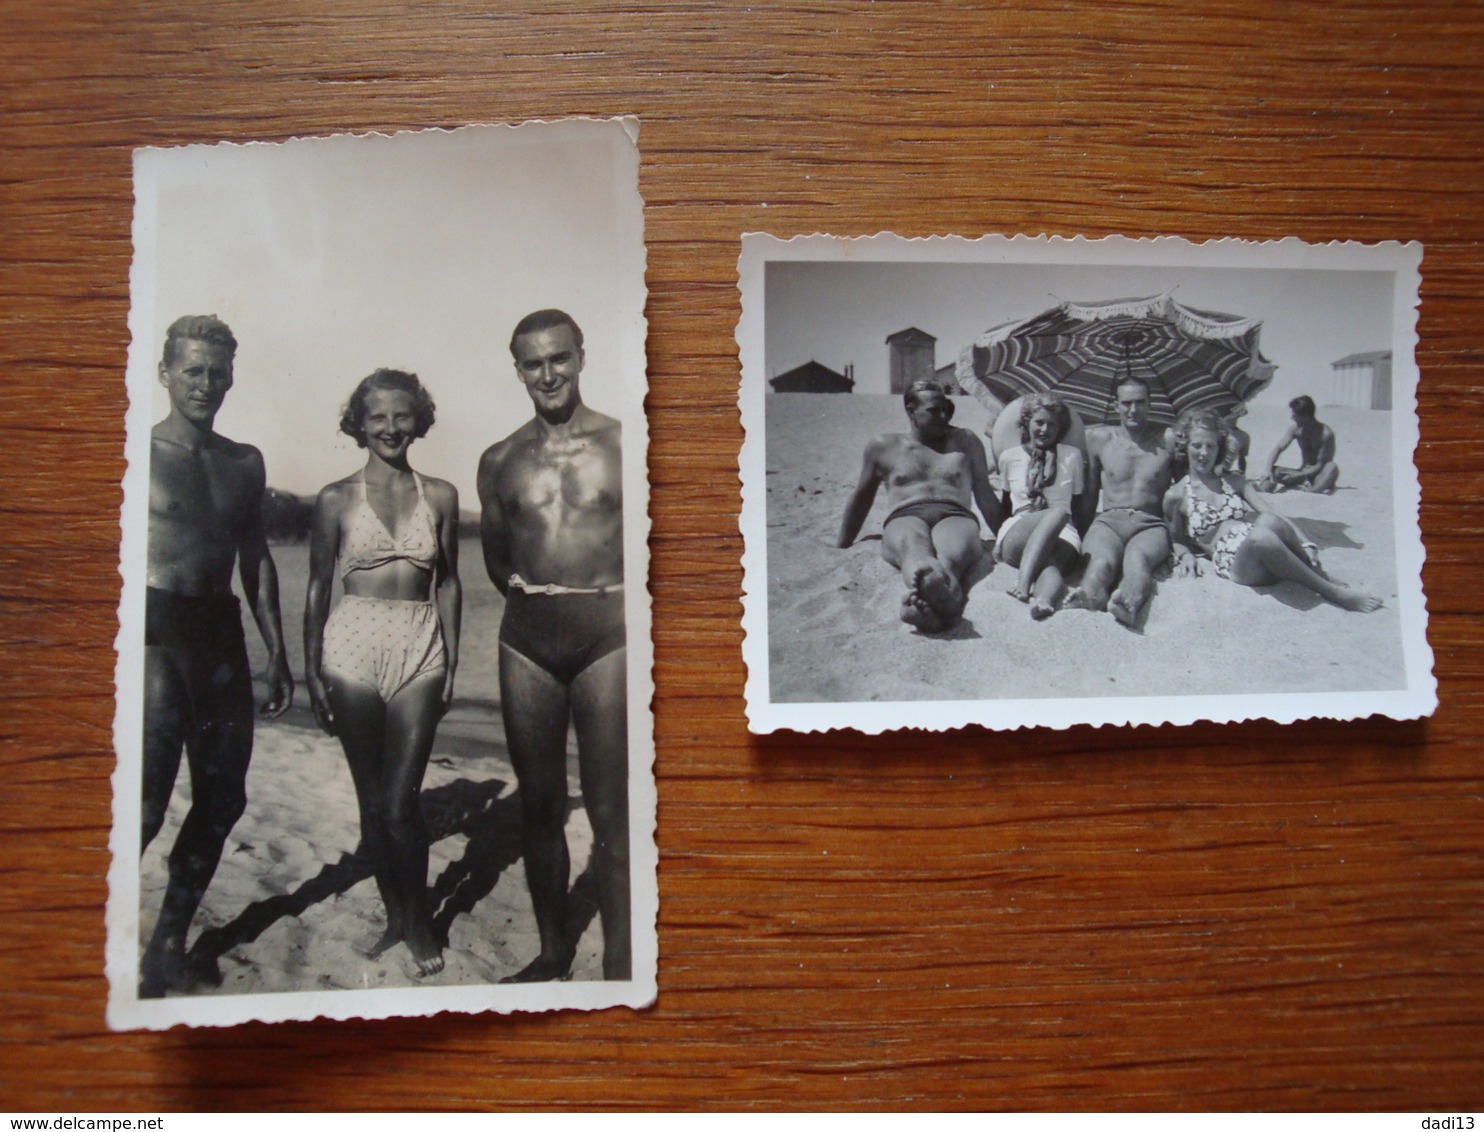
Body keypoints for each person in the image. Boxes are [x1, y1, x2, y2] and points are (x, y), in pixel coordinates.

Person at [140, 315, 293, 997]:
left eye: (217, 372)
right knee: (143, 802)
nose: (206, 384)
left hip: (219, 631)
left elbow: (256, 560)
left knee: (223, 797)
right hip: (150, 624)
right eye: (193, 370)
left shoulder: (244, 461)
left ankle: (167, 942)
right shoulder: (133, 450)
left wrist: (277, 651)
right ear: (165, 372)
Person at [478, 309, 630, 982]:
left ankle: (623, 958)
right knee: (538, 804)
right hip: (528, 641)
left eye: (559, 358)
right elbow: (494, 560)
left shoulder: (626, 443)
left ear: (581, 356)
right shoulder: (499, 459)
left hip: (608, 634)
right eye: (533, 363)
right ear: (517, 370)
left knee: (609, 808)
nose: (548, 374)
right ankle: (551, 950)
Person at [305, 369, 461, 977]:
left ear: (418, 419)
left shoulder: (441, 495)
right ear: (359, 425)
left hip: (421, 646)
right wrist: (314, 672)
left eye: (402, 416)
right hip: (351, 649)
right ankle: (397, 914)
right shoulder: (334, 499)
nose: (391, 428)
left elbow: (448, 583)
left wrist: (451, 663)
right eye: (378, 418)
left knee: (401, 802)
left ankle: (418, 920)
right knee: (374, 803)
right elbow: (318, 588)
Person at [1165, 410, 1380, 611]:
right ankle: (1332, 592)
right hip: (1238, 564)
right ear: (1184, 447)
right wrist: (1185, 556)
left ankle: (1318, 572)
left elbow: (1272, 513)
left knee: (1268, 520)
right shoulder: (1177, 495)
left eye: (1211, 446)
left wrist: (1306, 542)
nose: (1204, 453)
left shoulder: (1233, 481)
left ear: (1219, 448)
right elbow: (1176, 539)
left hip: (1266, 545)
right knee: (1261, 535)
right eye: (1197, 445)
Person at [837, 379, 1002, 632]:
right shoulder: (883, 446)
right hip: (905, 515)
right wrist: (843, 543)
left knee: (951, 557)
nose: (943, 415)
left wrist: (1004, 536)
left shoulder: (965, 441)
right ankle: (932, 587)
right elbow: (862, 498)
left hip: (955, 514)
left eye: (946, 408)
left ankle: (932, 596)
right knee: (913, 550)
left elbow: (984, 493)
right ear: (910, 410)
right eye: (934, 410)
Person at [1067, 375, 1175, 627]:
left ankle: (1128, 603)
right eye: (1126, 403)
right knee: (1100, 563)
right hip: (1107, 522)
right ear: (1117, 405)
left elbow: (1181, 494)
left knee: (1137, 560)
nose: (1133, 410)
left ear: (1150, 404)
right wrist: (1081, 534)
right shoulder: (1098, 439)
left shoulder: (1167, 439)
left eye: (1140, 402)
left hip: (1150, 524)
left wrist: (1180, 544)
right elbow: (1090, 494)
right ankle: (1090, 596)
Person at [995, 393, 1085, 620]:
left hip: (1063, 534)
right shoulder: (1009, 457)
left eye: (1052, 424)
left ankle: (1045, 599)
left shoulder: (1072, 457)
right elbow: (1007, 504)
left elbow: (1079, 501)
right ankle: (1023, 585)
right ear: (1027, 422)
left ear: (1061, 428)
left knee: (1052, 564)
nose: (1045, 430)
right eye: (1039, 422)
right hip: (1019, 530)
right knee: (1058, 512)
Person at [1257, 395, 1339, 493]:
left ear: (1305, 416)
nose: (1292, 417)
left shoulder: (1326, 434)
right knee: (1273, 471)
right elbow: (1278, 448)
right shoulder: (1296, 430)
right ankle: (1264, 490)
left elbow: (1321, 465)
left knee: (1331, 467)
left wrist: (1300, 475)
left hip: (1319, 476)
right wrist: (1268, 469)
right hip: (1302, 474)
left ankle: (1312, 491)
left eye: (1294, 415)